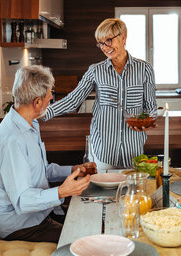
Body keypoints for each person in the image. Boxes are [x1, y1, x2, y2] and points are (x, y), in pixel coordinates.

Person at [0, 65, 95, 243]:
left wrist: (73, 169)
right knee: (87, 242)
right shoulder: (12, 139)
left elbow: (41, 170)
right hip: (21, 227)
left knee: (90, 219)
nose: (52, 97)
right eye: (49, 94)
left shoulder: (30, 124)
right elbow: (22, 201)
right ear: (37, 102)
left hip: (38, 215)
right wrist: (61, 192)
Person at [44, 18, 157, 170]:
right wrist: (43, 113)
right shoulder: (95, 70)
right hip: (103, 153)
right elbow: (73, 100)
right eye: (101, 43)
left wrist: (147, 121)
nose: (105, 47)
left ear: (123, 37)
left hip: (133, 152)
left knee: (131, 193)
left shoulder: (145, 69)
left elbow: (150, 106)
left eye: (109, 40)